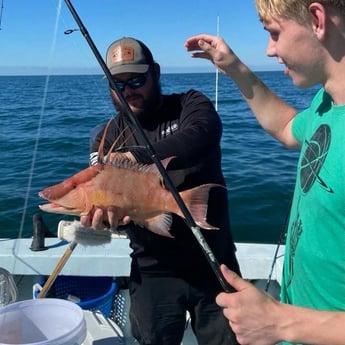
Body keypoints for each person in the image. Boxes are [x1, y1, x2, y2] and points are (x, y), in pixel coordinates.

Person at [185, 1, 345, 345]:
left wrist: (282, 323)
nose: (270, 50)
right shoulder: (326, 103)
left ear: (317, 20)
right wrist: (234, 68)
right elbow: (288, 127)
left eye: (274, 34)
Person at [81, 36, 241, 345]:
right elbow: (100, 193)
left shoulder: (189, 105)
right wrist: (100, 218)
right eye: (117, 84)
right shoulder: (105, 137)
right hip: (151, 268)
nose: (128, 91)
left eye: (137, 80)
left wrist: (139, 157)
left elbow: (202, 135)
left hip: (213, 262)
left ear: (155, 72)